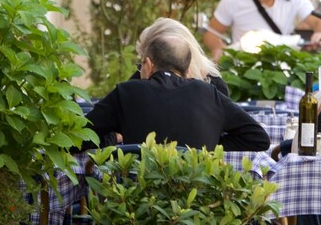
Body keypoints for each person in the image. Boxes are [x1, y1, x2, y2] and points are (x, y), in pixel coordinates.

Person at [84, 32, 270, 151]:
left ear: (148, 65)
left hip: (138, 201)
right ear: (188, 70)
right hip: (197, 205)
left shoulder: (126, 92)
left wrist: (113, 140)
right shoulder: (209, 94)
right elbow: (258, 138)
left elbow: (80, 137)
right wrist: (207, 147)